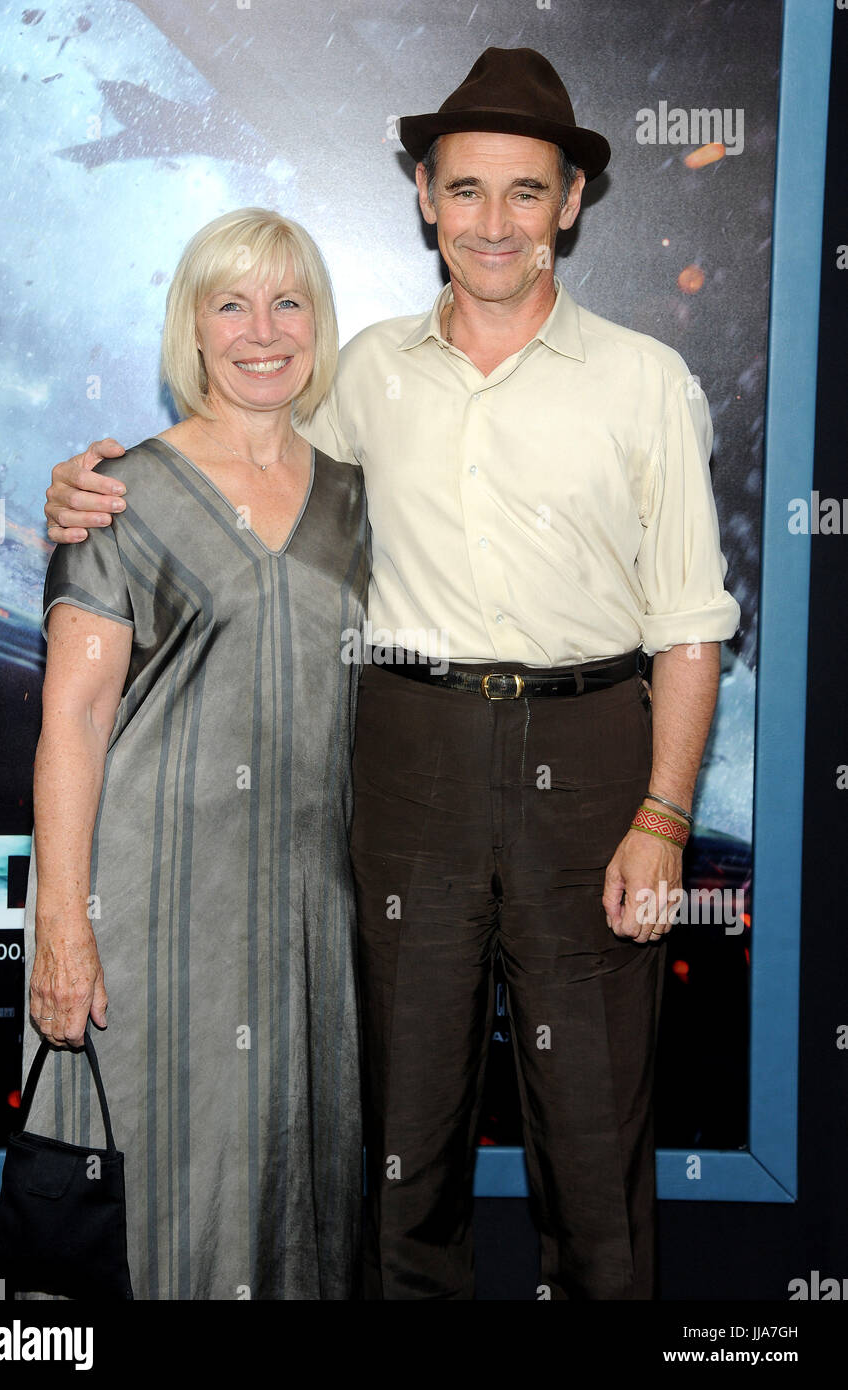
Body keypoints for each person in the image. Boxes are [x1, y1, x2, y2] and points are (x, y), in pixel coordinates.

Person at [43, 49, 740, 1300]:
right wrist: (86, 492)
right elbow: (237, 472)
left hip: (593, 768)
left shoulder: (645, 382)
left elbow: (693, 625)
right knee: (400, 1163)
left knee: (594, 1161)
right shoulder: (358, 372)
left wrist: (664, 812)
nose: (493, 222)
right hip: (409, 763)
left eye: (526, 193)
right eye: (466, 189)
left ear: (572, 204)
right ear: (424, 195)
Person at [21, 207, 369, 1301]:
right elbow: (71, 720)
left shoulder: (362, 500)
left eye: (288, 301)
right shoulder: (117, 494)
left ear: (318, 324)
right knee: (163, 1200)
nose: (261, 330)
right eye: (231, 303)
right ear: (193, 328)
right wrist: (64, 923)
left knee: (295, 1202)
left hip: (310, 926)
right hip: (154, 921)